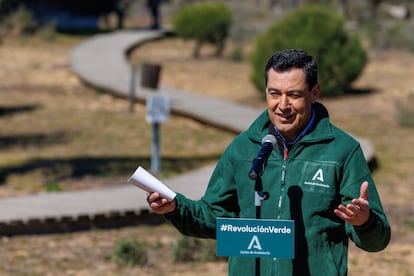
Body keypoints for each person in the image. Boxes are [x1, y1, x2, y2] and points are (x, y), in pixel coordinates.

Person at [146, 49, 391, 275]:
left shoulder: (342, 151)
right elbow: (214, 216)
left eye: (293, 95)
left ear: (314, 92)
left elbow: (378, 240)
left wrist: (364, 222)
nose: (282, 105)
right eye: (274, 93)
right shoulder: (243, 148)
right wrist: (176, 208)